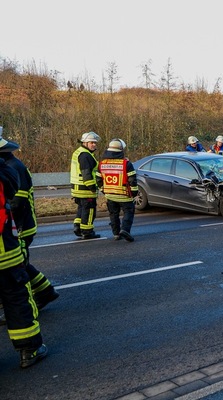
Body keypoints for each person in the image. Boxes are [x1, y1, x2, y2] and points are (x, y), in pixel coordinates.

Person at [0, 131, 59, 327]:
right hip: (17, 227)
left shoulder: (13, 167)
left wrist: (14, 228)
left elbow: (17, 203)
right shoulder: (9, 165)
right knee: (22, 266)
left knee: (18, 272)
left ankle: (31, 305)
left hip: (21, 228)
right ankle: (46, 291)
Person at [0, 145, 48, 368]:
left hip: (11, 244)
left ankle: (47, 292)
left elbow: (17, 200)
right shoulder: (6, 170)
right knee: (17, 299)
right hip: (4, 251)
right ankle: (30, 349)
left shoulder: (14, 167)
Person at [98, 139, 138, 242]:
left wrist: (103, 190)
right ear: (121, 151)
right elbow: (132, 180)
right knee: (128, 212)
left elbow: (98, 179)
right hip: (124, 195)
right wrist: (134, 193)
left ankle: (116, 234)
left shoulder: (102, 163)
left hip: (110, 195)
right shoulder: (126, 164)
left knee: (113, 214)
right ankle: (125, 230)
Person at [70, 132, 103, 239]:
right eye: (91, 142)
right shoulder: (85, 155)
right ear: (85, 143)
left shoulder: (79, 152)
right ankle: (87, 232)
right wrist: (93, 187)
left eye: (95, 143)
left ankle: (78, 227)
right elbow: (86, 173)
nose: (94, 145)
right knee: (89, 210)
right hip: (86, 189)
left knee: (82, 208)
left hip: (77, 188)